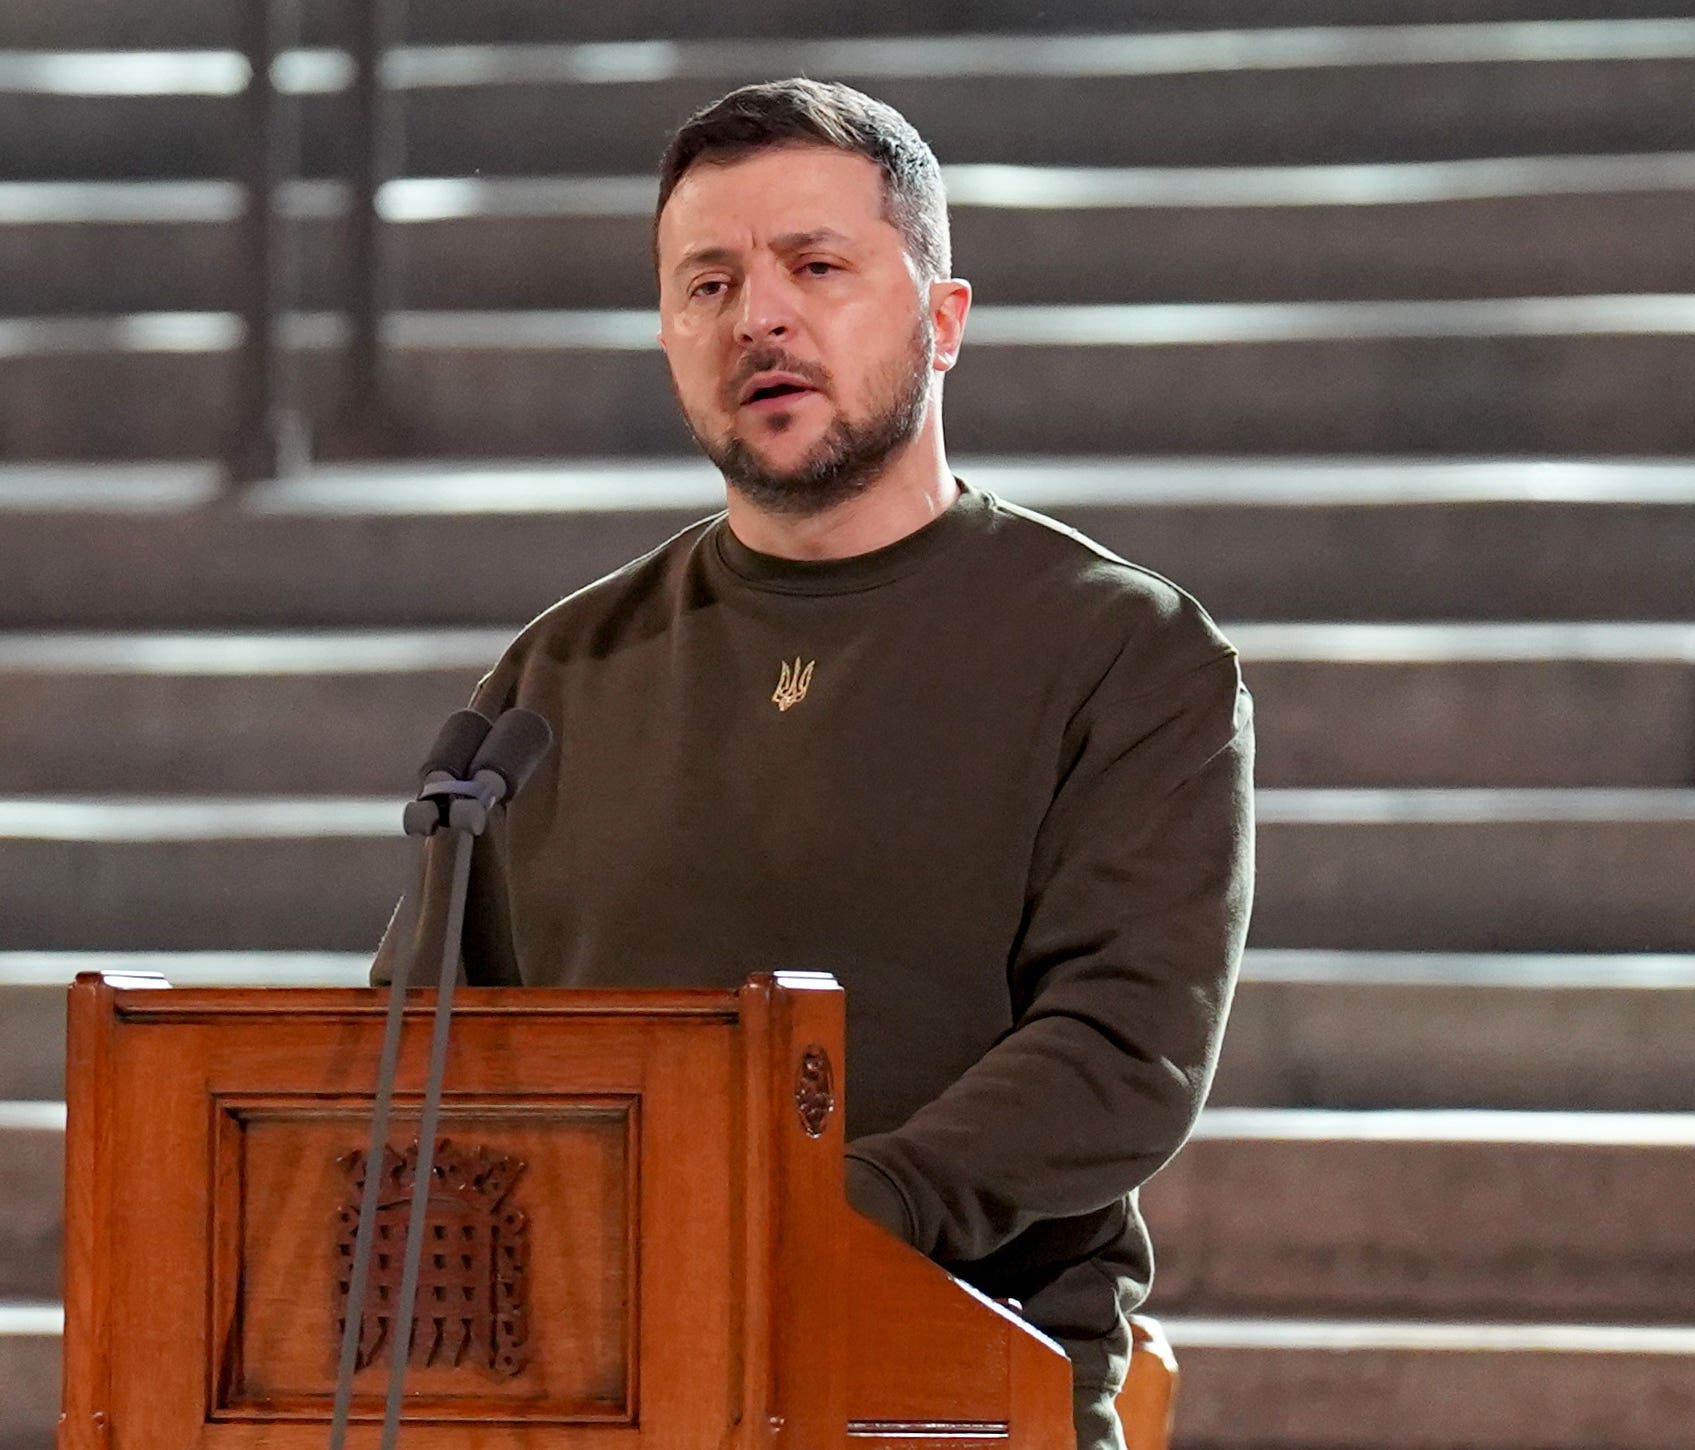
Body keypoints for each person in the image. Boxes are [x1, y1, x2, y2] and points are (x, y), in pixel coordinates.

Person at [373, 77, 1254, 1450]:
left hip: (949, 1381)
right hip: (582, 1386)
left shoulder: (1123, 655)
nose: (759, 317)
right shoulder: (555, 681)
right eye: (706, 284)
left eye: (816, 266)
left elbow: (1120, 1053)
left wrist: (822, 1218)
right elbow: (411, 1051)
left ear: (943, 319)